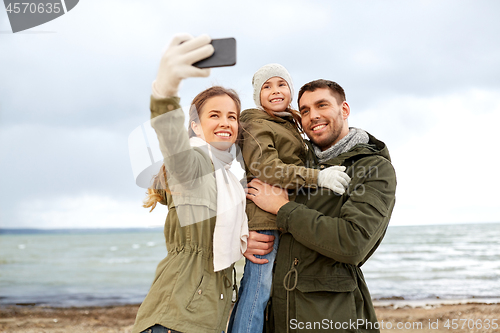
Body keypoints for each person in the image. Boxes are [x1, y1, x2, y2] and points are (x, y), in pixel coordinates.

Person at [245, 79, 397, 333]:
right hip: (277, 314)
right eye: (304, 110)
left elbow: (353, 242)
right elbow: (251, 189)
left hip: (331, 316)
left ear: (344, 109)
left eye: (322, 105)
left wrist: (283, 209)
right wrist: (242, 238)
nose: (313, 116)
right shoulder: (296, 163)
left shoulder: (372, 167)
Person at [132, 34, 248, 333]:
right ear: (195, 126)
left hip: (205, 319)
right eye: (215, 115)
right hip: (175, 320)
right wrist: (165, 88)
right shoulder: (193, 163)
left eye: (232, 116)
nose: (226, 122)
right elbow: (170, 136)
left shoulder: (231, 179)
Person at [227, 65, 351, 333]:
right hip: (265, 220)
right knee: (258, 290)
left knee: (269, 290)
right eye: (267, 86)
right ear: (257, 95)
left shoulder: (287, 122)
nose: (275, 91)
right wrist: (318, 178)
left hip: (283, 214)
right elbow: (266, 169)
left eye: (281, 84)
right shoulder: (256, 124)